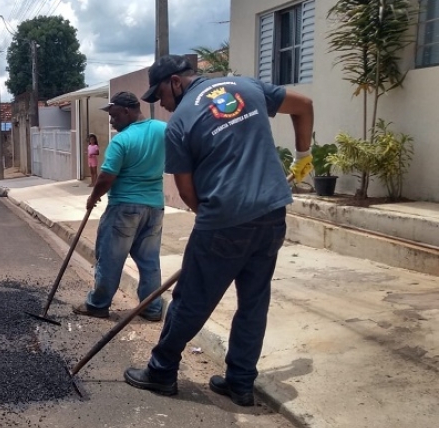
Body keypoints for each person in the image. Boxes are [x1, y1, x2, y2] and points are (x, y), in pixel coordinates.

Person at [123, 55, 314, 405]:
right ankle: (240, 382)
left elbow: (186, 191)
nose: (161, 105)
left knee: (191, 302)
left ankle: (162, 370)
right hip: (272, 214)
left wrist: (213, 220)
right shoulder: (247, 86)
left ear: (176, 83)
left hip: (224, 220)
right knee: (254, 303)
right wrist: (304, 156)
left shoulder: (180, 122)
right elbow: (304, 105)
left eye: (160, 95)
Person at [72, 91, 167, 322]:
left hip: (124, 207)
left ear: (127, 110)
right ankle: (152, 308)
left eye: (114, 116)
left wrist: (93, 197)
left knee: (110, 258)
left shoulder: (122, 140)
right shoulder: (163, 129)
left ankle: (98, 305)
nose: (112, 122)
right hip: (154, 207)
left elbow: (106, 177)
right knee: (149, 260)